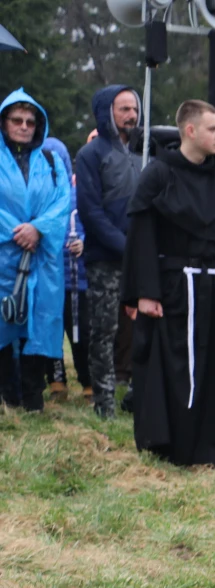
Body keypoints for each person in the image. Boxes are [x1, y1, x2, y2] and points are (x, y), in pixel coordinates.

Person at [121, 100, 215, 466]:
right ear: (190, 131)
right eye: (213, 129)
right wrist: (145, 292)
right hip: (175, 290)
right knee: (180, 367)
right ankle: (176, 446)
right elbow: (142, 236)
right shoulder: (159, 176)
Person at [75, 84, 146, 418]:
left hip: (142, 258)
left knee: (145, 329)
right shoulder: (91, 155)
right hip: (105, 259)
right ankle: (103, 402)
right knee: (104, 332)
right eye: (123, 109)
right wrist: (125, 246)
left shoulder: (145, 153)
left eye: (134, 108)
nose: (131, 114)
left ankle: (138, 395)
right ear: (107, 112)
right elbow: (91, 212)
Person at [0, 89, 70, 413]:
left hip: (41, 259)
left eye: (30, 121)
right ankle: (7, 394)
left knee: (39, 324)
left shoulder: (51, 161)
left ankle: (32, 397)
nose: (24, 126)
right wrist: (18, 230)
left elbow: (62, 201)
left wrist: (38, 229)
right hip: (5, 257)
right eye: (17, 120)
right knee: (3, 322)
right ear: (4, 122)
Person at [42, 136, 89, 402]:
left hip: (76, 278)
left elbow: (91, 224)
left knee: (79, 331)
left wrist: (84, 243)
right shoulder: (38, 197)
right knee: (50, 330)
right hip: (48, 277)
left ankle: (87, 380)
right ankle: (56, 379)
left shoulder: (77, 195)